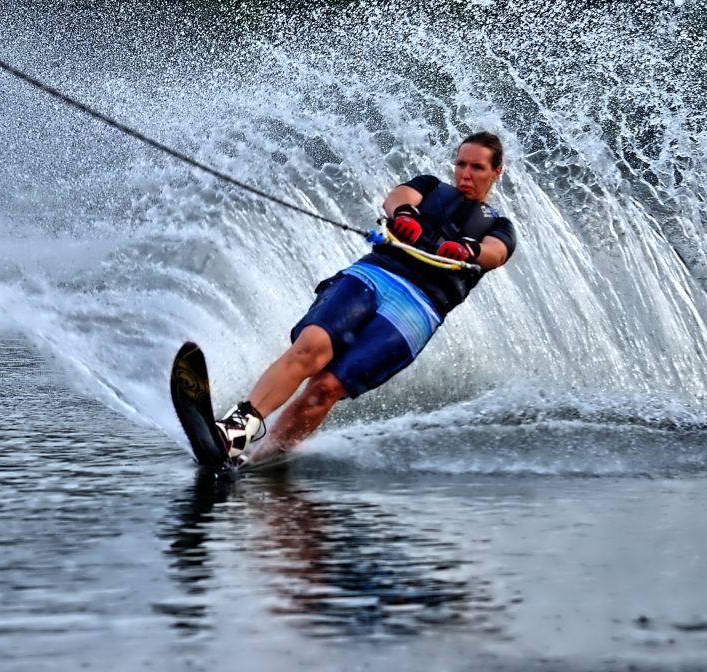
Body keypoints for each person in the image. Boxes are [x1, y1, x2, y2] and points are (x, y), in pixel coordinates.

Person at [215, 131, 517, 462]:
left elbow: (496, 253)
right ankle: (235, 430)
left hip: (418, 307)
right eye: (461, 164)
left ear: (496, 171)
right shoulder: (431, 187)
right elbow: (397, 197)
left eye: (477, 167)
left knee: (326, 387)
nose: (465, 173)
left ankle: (260, 461)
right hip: (376, 274)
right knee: (310, 348)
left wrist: (468, 249)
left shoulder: (498, 225)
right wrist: (403, 214)